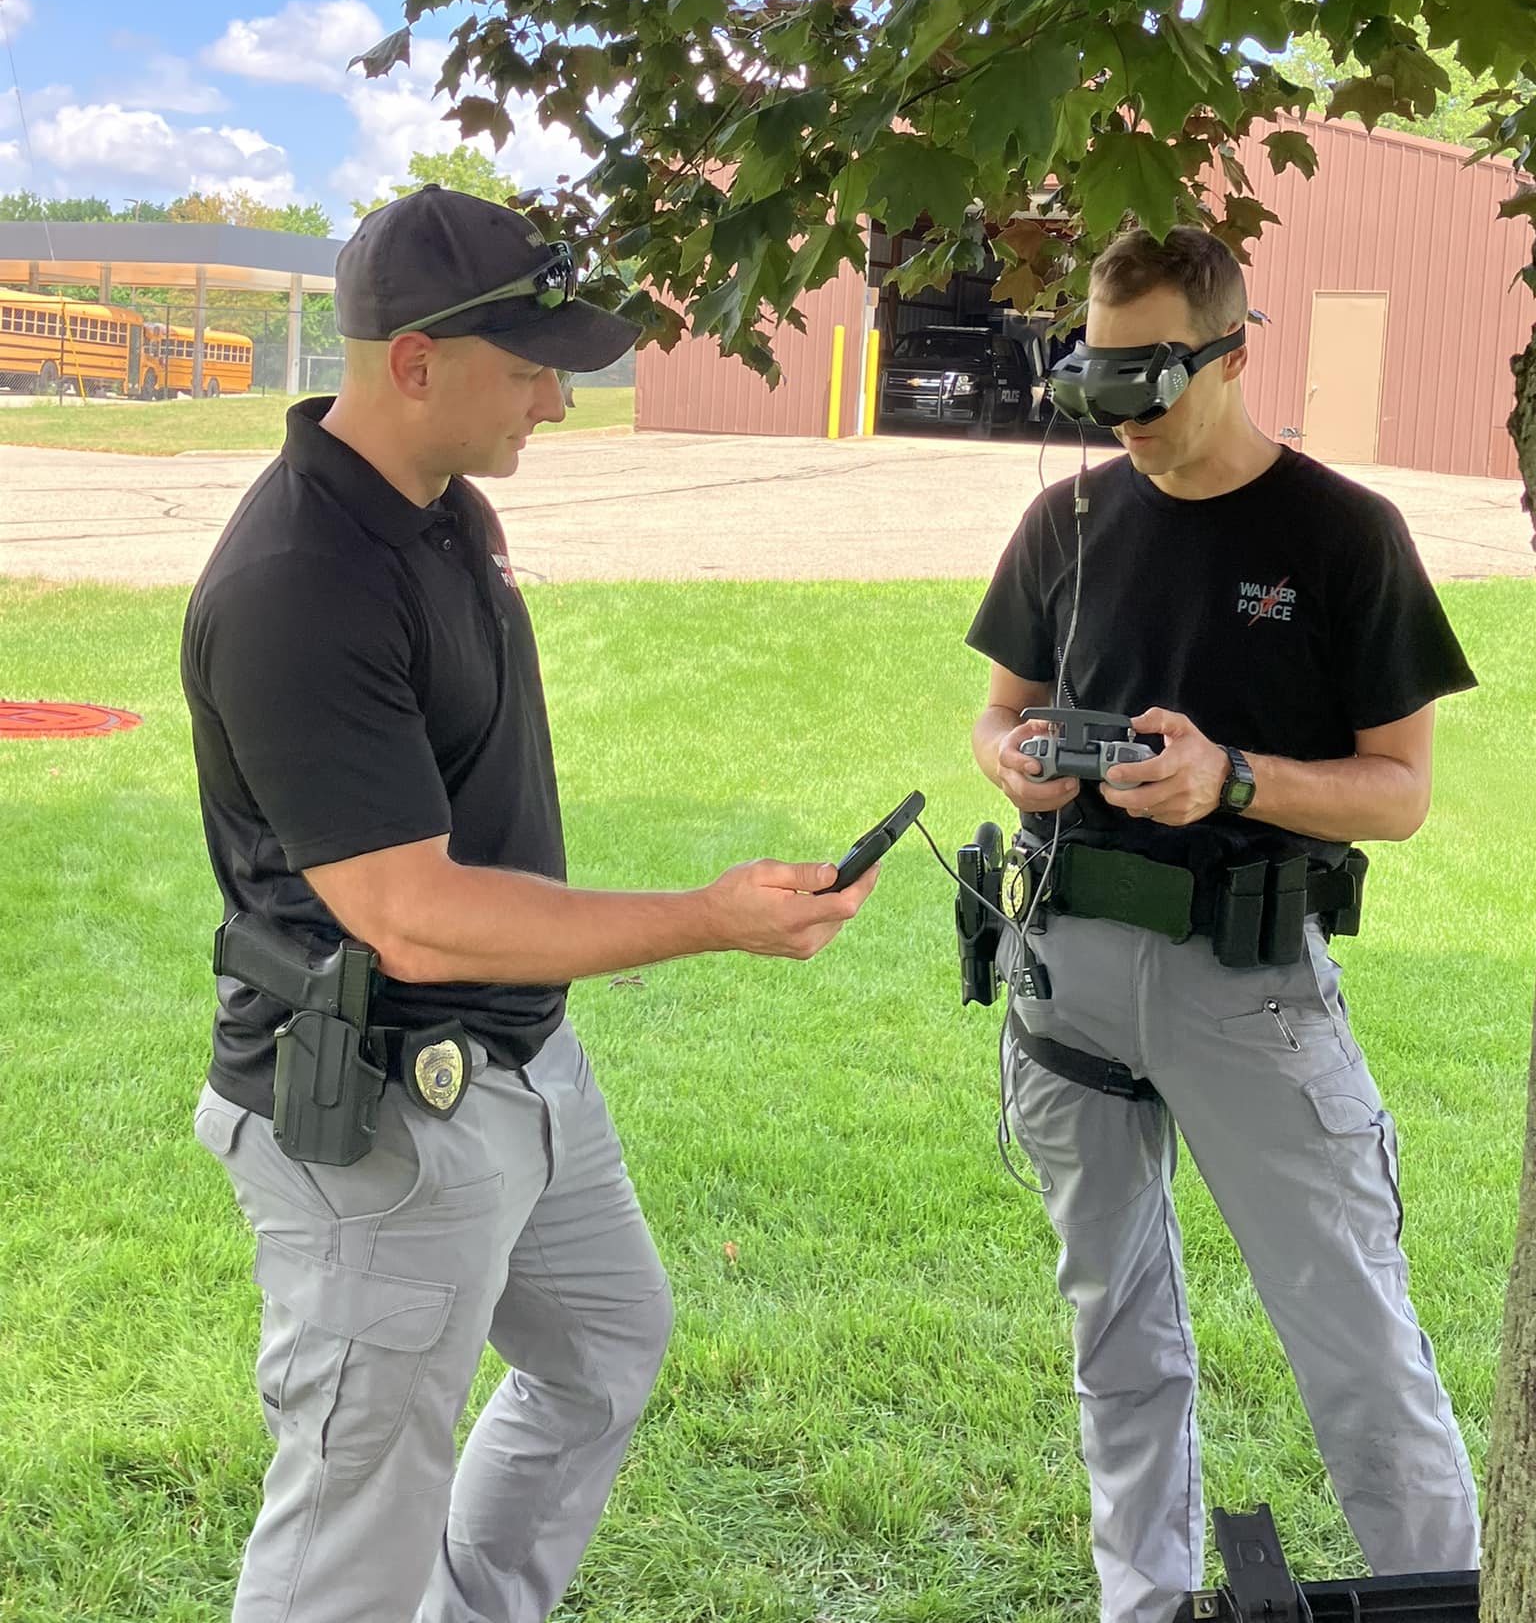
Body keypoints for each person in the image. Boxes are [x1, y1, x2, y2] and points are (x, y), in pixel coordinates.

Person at [181, 185, 877, 1623]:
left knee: (606, 1344)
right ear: (416, 362)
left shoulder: (442, 507)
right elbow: (412, 914)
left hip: (519, 1068)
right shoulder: (299, 582)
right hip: (383, 1110)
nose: (560, 399)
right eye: (531, 366)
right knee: (352, 1515)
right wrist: (707, 915)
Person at [965, 225, 1480, 1623]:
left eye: (1151, 381)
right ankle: (1148, 1602)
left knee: (1354, 1338)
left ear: (1235, 352)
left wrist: (1235, 777)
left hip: (1247, 984)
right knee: (1115, 1335)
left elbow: (1403, 791)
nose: (1122, 417)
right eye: (1098, 382)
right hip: (1065, 976)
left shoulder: (1341, 534)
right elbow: (998, 710)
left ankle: (1440, 1601)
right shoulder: (1068, 517)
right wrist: (1008, 756)